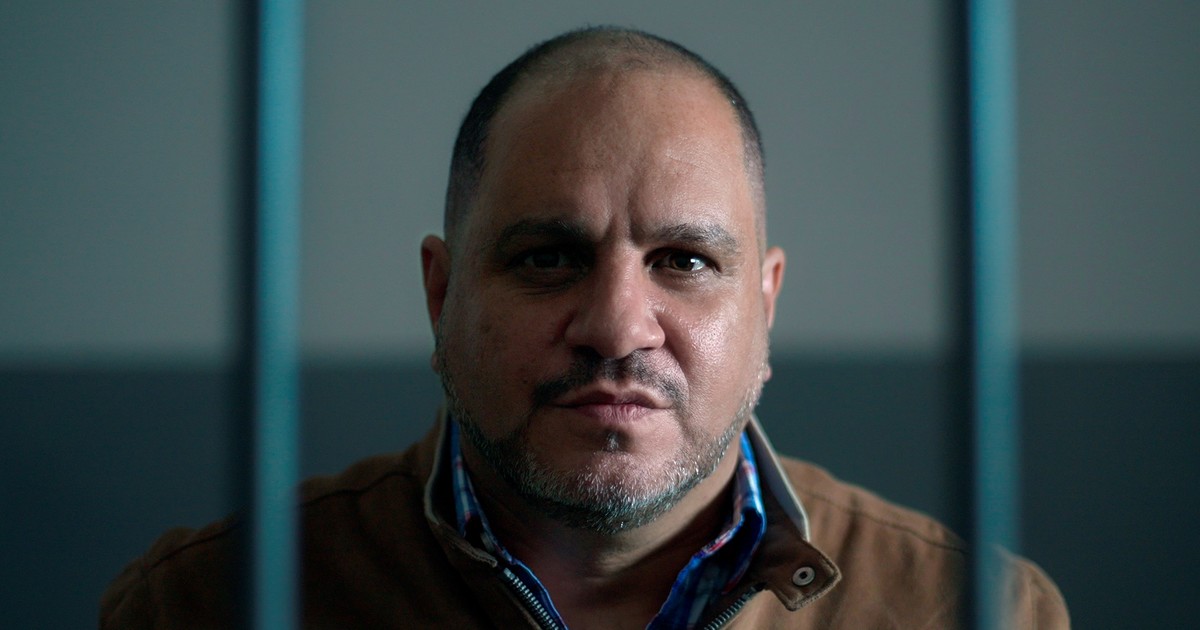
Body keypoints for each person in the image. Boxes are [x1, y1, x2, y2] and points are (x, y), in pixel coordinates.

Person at [101, 27, 1068, 629]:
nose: (614, 328)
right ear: (442, 294)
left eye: (684, 262)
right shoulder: (209, 605)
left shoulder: (973, 612)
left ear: (765, 308)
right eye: (545, 259)